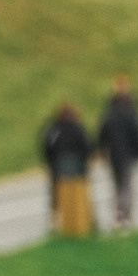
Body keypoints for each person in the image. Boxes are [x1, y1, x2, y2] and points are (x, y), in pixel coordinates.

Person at [94, 75, 138, 232]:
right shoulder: (129, 110)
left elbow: (103, 131)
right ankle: (124, 216)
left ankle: (121, 215)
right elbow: (137, 132)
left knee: (120, 185)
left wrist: (102, 149)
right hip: (124, 153)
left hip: (118, 153)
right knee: (124, 185)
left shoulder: (112, 110)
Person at [40, 102, 94, 238]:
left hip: (58, 167)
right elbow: (86, 146)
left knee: (56, 194)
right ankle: (84, 220)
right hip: (77, 168)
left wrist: (51, 161)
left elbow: (48, 146)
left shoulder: (54, 129)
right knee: (80, 194)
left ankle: (55, 221)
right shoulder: (77, 128)